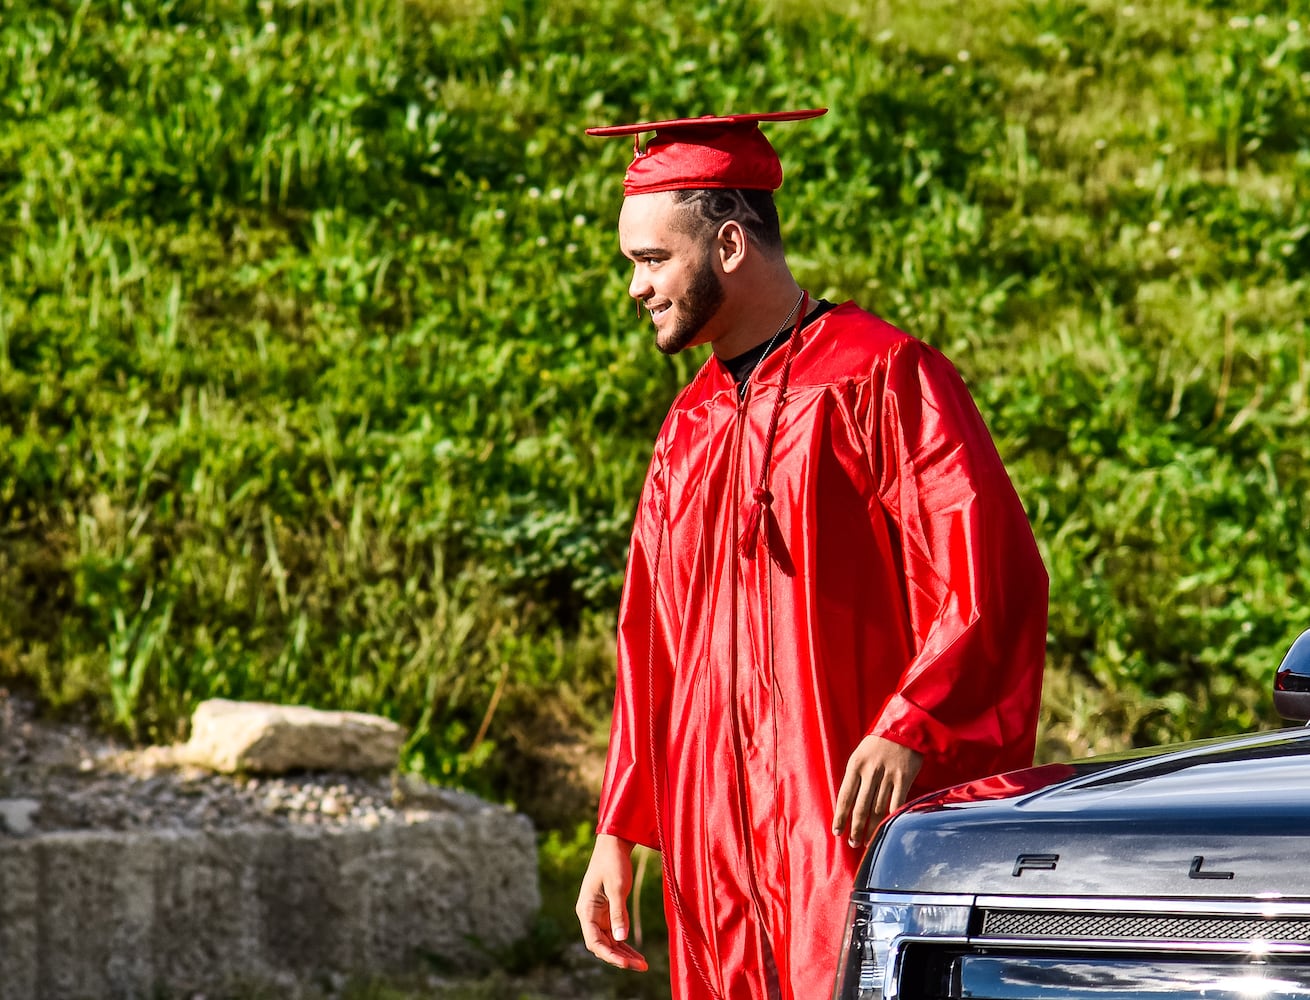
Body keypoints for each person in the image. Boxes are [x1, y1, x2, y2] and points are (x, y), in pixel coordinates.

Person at [575, 108, 1048, 1000]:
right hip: (712, 828)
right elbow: (652, 640)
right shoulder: (689, 424)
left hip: (831, 808)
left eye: (650, 259)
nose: (634, 287)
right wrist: (619, 829)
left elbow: (989, 573)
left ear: (726, 243)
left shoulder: (882, 378)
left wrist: (912, 723)